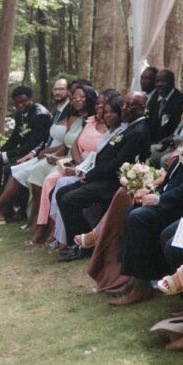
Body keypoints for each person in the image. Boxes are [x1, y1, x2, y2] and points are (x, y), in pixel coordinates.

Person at [109, 92, 183, 304]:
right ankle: (136, 279)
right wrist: (154, 191)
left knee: (139, 217)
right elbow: (178, 174)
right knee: (134, 209)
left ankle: (142, 284)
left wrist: (160, 200)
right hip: (174, 196)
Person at [55, 94, 151, 258]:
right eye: (124, 106)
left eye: (129, 106)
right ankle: (78, 241)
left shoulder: (138, 131)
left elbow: (118, 163)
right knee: (61, 193)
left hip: (114, 182)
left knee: (70, 198)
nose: (124, 109)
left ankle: (85, 245)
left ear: (141, 110)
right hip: (103, 177)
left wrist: (90, 176)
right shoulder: (129, 127)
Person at [33, 88, 113, 247]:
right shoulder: (90, 121)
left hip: (92, 171)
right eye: (98, 104)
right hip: (78, 162)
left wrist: (80, 170)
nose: (100, 107)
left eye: (103, 104)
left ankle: (63, 238)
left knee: (62, 186)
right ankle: (50, 230)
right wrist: (76, 163)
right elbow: (75, 144)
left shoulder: (113, 128)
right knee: (53, 181)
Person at [0, 84, 58, 224]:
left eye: (23, 101)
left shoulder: (40, 115)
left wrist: (5, 156)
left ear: (31, 99)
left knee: (9, 167)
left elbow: (33, 145)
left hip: (36, 152)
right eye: (17, 103)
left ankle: (4, 209)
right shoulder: (19, 114)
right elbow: (14, 139)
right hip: (23, 151)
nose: (20, 105)